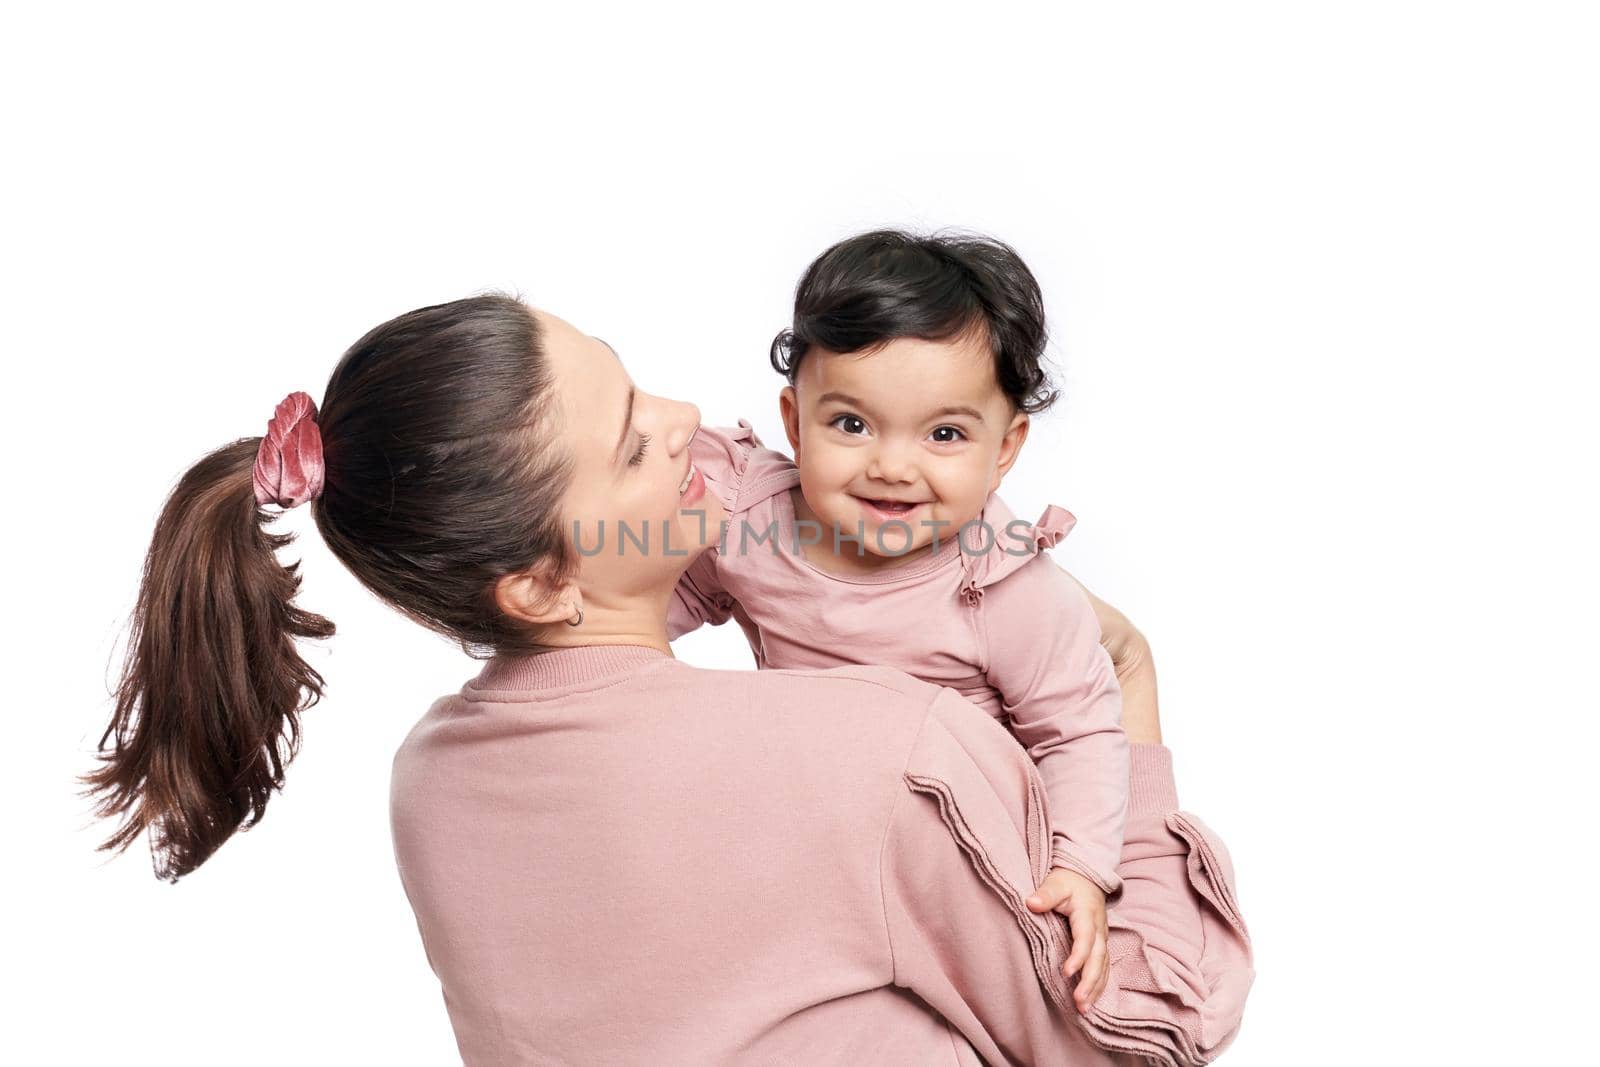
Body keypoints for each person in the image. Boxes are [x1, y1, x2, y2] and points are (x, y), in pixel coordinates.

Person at [85, 293, 1252, 1065]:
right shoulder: (894, 750)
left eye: (640, 388)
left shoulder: (429, 782)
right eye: (638, 442)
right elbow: (1149, 1032)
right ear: (539, 585)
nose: (690, 419)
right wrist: (1127, 684)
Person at [669, 230, 1128, 1010]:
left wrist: (1079, 866)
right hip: (818, 816)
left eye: (945, 434)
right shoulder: (752, 522)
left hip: (966, 843)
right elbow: (658, 606)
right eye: (851, 424)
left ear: (1006, 446)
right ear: (794, 419)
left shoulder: (1003, 584)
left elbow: (1078, 732)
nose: (892, 465)